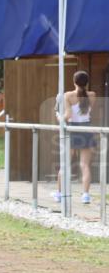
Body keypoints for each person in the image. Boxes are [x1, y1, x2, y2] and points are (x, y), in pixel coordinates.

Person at [53, 71, 99, 205]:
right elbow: (86, 111)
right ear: (87, 82)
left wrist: (57, 113)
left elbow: (67, 116)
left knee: (65, 164)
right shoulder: (92, 95)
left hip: (73, 129)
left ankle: (60, 194)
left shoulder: (67, 96)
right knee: (85, 165)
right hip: (86, 129)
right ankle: (85, 195)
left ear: (74, 82)